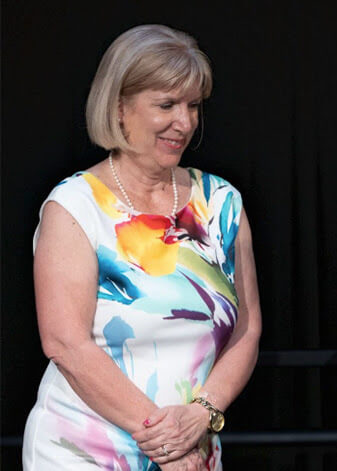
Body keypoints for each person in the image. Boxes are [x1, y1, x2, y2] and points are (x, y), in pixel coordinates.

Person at [23, 25, 262, 471]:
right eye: (167, 105)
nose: (185, 122)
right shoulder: (75, 205)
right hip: (86, 453)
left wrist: (203, 414)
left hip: (193, 450)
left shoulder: (222, 202)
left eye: (193, 105)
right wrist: (164, 442)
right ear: (119, 108)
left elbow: (246, 331)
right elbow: (65, 343)